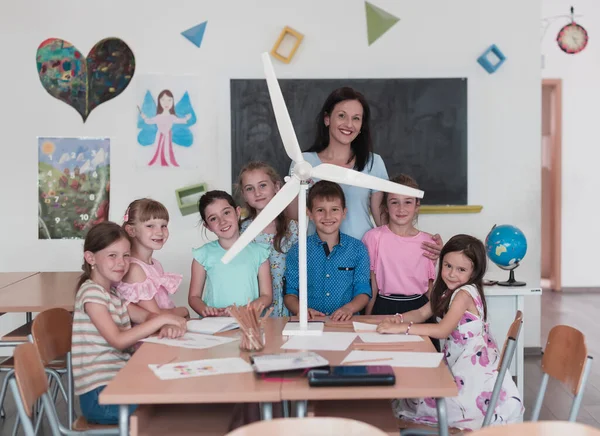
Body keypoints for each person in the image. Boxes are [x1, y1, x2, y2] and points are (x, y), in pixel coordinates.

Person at [377, 234, 523, 430]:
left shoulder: (463, 294)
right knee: (408, 395)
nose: (452, 274)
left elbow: (442, 330)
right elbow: (421, 312)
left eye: (461, 269)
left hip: (473, 378)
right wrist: (399, 318)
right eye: (447, 266)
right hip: (459, 363)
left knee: (410, 400)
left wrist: (403, 328)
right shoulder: (447, 291)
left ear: (474, 272)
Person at [289, 86, 443, 259]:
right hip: (317, 256)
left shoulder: (373, 163)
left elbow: (383, 219)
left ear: (362, 125)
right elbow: (294, 216)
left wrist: (420, 242)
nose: (348, 124)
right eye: (341, 116)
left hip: (363, 255)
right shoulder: (303, 163)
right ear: (327, 119)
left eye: (356, 118)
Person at [72, 221, 186, 424]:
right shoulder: (91, 294)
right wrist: (164, 318)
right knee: (169, 409)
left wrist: (163, 321)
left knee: (174, 396)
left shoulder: (112, 294)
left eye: (126, 255)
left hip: (120, 384)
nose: (121, 263)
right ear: (91, 258)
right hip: (101, 397)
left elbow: (144, 316)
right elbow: (118, 340)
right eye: (112, 255)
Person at [284, 181, 371, 320]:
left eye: (334, 209)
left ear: (344, 212)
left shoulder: (358, 249)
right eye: (320, 210)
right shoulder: (298, 251)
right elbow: (290, 293)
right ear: (309, 213)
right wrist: (302, 310)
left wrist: (349, 308)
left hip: (346, 325)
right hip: (310, 323)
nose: (327, 216)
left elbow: (363, 291)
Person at [188, 190, 272, 316]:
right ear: (207, 226)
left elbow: (266, 296)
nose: (222, 221)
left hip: (249, 323)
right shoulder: (202, 255)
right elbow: (194, 297)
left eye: (226, 212)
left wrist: (243, 310)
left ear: (237, 212)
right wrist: (205, 310)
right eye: (213, 218)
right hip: (214, 324)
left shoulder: (259, 252)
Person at [362, 174, 436, 316]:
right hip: (384, 306)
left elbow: (429, 287)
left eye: (408, 202)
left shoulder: (429, 241)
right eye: (395, 202)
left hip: (419, 308)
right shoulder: (373, 237)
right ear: (386, 207)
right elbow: (373, 285)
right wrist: (367, 317)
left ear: (417, 205)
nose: (401, 209)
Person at [238, 161, 299, 317]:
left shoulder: (292, 228)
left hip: (287, 299)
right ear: (244, 195)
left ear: (276, 187)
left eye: (263, 185)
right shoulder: (242, 230)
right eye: (250, 189)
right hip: (255, 300)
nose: (257, 193)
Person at [117, 198, 189, 318]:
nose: (160, 232)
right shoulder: (135, 269)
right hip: (148, 334)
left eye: (164, 226)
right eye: (150, 226)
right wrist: (184, 310)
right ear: (131, 230)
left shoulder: (155, 264)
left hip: (165, 329)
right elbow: (155, 315)